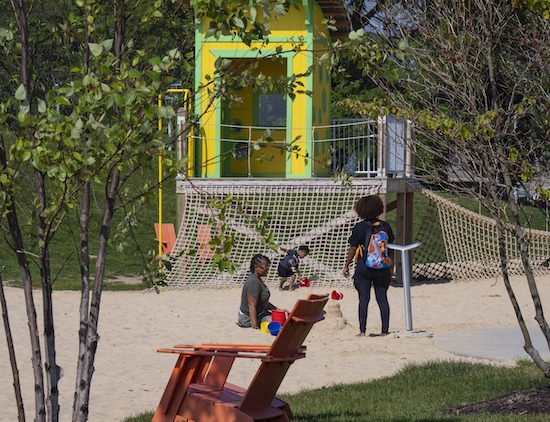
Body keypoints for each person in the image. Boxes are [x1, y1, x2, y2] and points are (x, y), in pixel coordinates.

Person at [343, 195, 394, 337]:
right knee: (382, 298)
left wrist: (346, 265)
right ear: (379, 208)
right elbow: (390, 248)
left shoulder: (359, 227)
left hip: (364, 268)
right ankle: (384, 331)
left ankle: (362, 331)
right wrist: (391, 266)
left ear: (360, 210)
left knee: (364, 299)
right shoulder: (386, 226)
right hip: (383, 267)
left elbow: (353, 248)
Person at [237, 254, 281, 329]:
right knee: (276, 322)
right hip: (248, 318)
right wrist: (254, 326)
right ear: (256, 267)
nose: (267, 269)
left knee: (281, 318)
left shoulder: (258, 280)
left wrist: (277, 310)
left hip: (261, 313)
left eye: (268, 267)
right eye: (264, 268)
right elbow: (252, 306)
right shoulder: (253, 283)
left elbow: (263, 301)